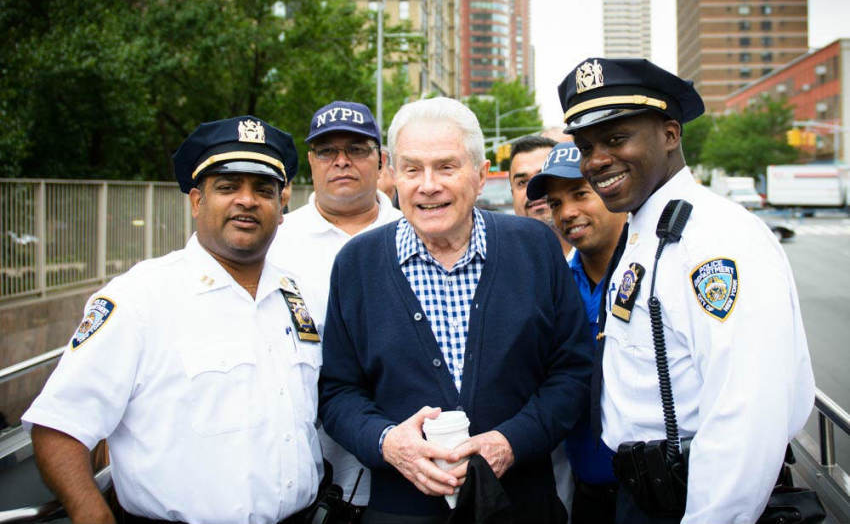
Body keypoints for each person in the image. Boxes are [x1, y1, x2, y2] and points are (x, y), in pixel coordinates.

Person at [22, 117, 323, 524]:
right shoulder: (140, 298)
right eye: (228, 187)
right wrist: (91, 513)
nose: (248, 201)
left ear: (281, 209)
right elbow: (58, 428)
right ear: (196, 201)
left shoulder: (293, 295)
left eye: (264, 190)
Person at [558, 57, 816, 523]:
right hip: (644, 491)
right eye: (586, 145)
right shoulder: (644, 232)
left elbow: (746, 414)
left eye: (617, 139)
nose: (595, 160)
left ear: (670, 135)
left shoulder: (716, 239)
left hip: (694, 500)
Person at [318, 97, 593, 524]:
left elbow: (573, 372)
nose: (428, 185)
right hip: (401, 511)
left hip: (522, 507)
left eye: (446, 167)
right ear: (391, 175)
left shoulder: (535, 249)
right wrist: (389, 442)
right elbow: (338, 393)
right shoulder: (357, 264)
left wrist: (510, 442)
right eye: (412, 169)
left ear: (481, 176)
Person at [267, 100, 402, 514]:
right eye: (327, 151)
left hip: (405, 467)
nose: (341, 162)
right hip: (306, 473)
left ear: (380, 161)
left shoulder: (413, 231)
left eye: (357, 150)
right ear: (311, 161)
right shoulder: (275, 243)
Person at [526, 142, 627, 524]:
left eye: (581, 194)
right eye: (555, 203)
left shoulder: (656, 275)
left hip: (663, 496)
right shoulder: (552, 287)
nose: (567, 213)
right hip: (589, 496)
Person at [508, 135, 571, 256]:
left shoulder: (598, 253)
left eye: (542, 177)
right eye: (522, 182)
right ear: (512, 194)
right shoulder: (502, 259)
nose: (533, 188)